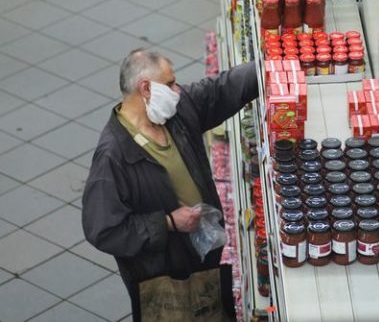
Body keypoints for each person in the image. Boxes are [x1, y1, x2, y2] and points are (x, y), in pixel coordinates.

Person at [82, 48, 258, 321]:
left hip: (201, 253)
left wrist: (268, 66)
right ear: (145, 88)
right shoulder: (113, 156)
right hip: (161, 270)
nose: (177, 90)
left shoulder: (173, 113)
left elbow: (219, 91)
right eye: (170, 83)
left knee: (209, 309)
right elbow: (104, 230)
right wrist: (167, 223)